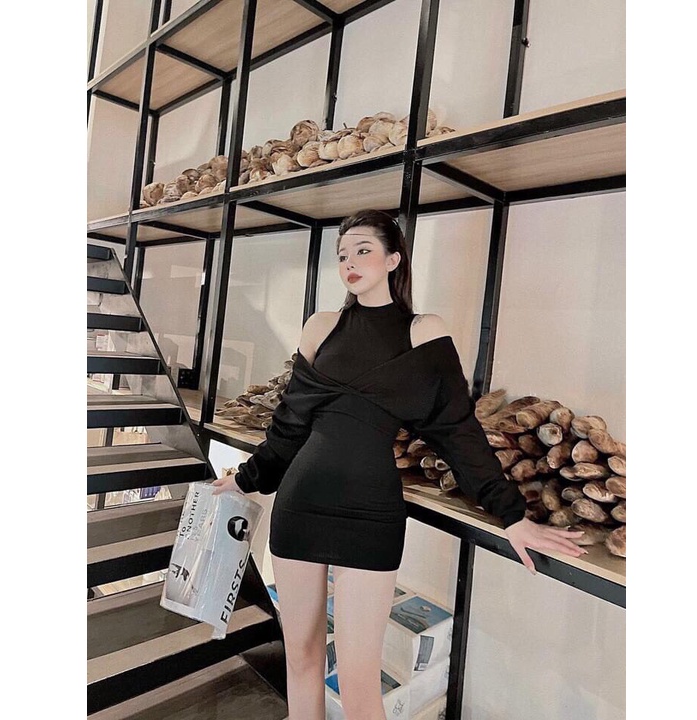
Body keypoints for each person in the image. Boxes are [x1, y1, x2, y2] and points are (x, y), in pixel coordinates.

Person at [212, 208, 585, 720]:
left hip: (371, 513)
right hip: (301, 506)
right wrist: (245, 479)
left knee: (359, 678)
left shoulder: (424, 331)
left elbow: (457, 430)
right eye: (342, 254)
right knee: (300, 656)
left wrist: (512, 514)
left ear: (393, 259)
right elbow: (289, 427)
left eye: (363, 250)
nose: (349, 262)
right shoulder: (321, 327)